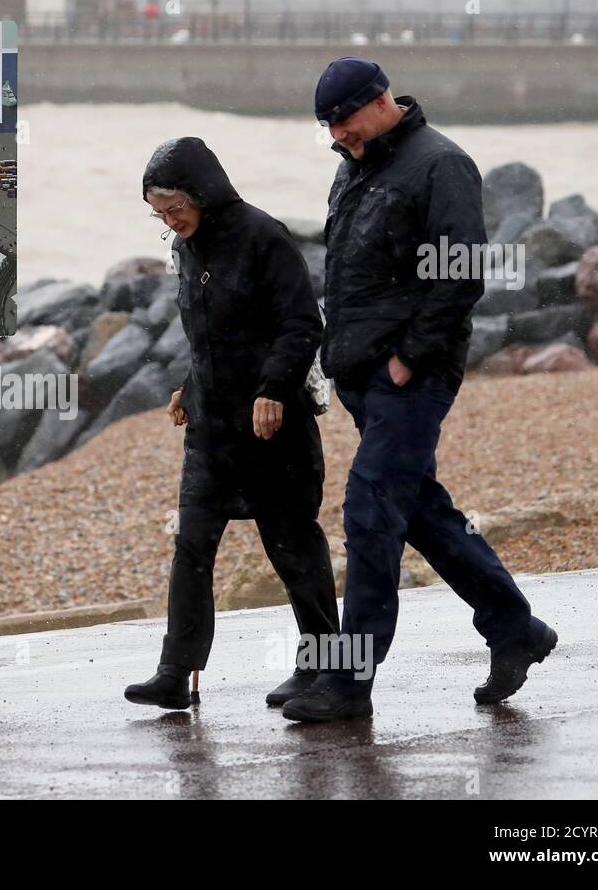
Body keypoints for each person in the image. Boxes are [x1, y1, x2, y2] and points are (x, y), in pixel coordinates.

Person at [282, 58, 558, 723]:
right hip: (361, 377)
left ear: (378, 102)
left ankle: (349, 683)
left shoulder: (441, 164)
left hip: (412, 376)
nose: (337, 137)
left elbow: (462, 273)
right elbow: (346, 271)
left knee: (371, 510)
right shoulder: (355, 168)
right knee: (421, 512)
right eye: (329, 129)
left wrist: (411, 357)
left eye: (343, 123)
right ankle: (515, 626)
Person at [124, 138, 340, 711]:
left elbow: (299, 325)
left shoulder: (263, 237)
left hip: (273, 427)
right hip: (211, 429)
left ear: (204, 192)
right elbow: (210, 336)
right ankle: (176, 670)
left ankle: (322, 665)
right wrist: (189, 388)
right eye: (160, 213)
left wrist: (273, 390)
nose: (171, 221)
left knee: (291, 543)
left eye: (176, 207)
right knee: (190, 544)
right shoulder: (187, 247)